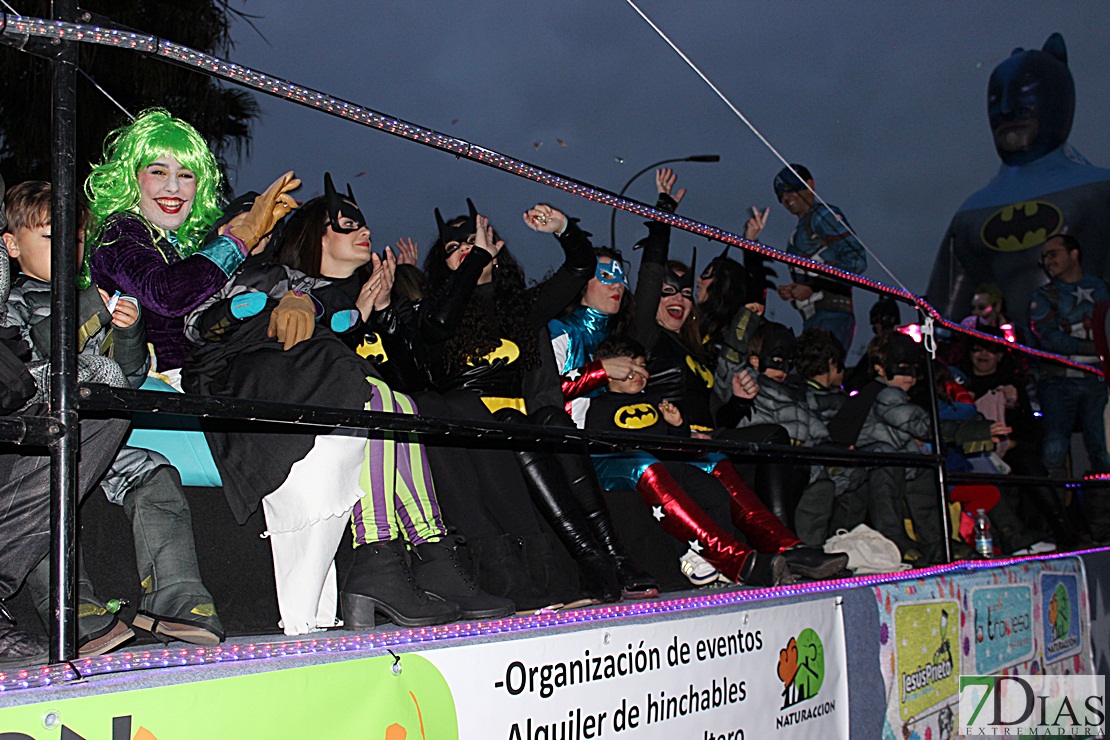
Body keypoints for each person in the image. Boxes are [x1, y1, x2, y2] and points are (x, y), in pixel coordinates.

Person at [184, 176, 514, 633]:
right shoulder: (221, 277)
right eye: (246, 223)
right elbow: (195, 327)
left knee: (396, 402)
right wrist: (263, 307)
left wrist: (330, 306)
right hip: (253, 384)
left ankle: (428, 548)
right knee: (374, 397)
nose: (366, 234)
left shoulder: (314, 287)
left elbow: (348, 323)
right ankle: (378, 552)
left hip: (317, 378)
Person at [2, 181, 223, 648]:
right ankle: (70, 605)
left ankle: (176, 595)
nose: (68, 249)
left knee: (155, 469)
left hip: (98, 434)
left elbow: (127, 378)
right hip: (38, 440)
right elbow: (26, 364)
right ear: (11, 244)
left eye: (76, 238)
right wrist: (86, 311)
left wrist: (128, 332)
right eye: (49, 237)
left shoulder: (95, 295)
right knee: (47, 483)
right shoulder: (12, 302)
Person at [419, 199, 657, 603]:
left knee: (553, 419)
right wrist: (475, 260)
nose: (464, 248)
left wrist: (565, 228)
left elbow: (579, 268)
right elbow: (439, 326)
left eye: (472, 241)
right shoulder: (436, 312)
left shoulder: (520, 308)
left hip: (526, 424)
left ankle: (612, 556)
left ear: (497, 248)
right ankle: (590, 559)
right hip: (474, 432)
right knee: (520, 422)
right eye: (452, 249)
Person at [626, 169, 848, 582]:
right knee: (731, 459)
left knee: (771, 438)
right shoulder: (646, 338)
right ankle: (778, 552)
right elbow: (651, 273)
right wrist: (663, 214)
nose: (679, 298)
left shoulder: (694, 350)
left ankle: (791, 548)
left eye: (686, 292)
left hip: (703, 439)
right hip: (668, 440)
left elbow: (715, 416)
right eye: (668, 292)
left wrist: (738, 403)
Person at [927, 33, 1110, 331]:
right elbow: (943, 318)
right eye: (996, 100)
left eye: (1025, 95)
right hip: (1013, 364)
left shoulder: (1101, 191)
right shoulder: (970, 215)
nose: (1007, 109)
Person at [745, 164, 866, 352]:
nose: (785, 198)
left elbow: (856, 259)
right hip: (814, 318)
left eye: (790, 189)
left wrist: (812, 285)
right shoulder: (801, 230)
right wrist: (796, 291)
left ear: (809, 185)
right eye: (780, 195)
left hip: (832, 314)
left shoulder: (822, 215)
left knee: (820, 371)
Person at [1028, 234, 1110, 477]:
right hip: (1058, 380)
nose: (1048, 261)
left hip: (1099, 379)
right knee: (1055, 447)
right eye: (1044, 257)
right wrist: (1097, 348)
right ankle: (1057, 510)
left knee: (1103, 446)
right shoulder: (1042, 296)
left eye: (1053, 254)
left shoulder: (1102, 288)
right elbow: (1049, 338)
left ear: (1074, 253)